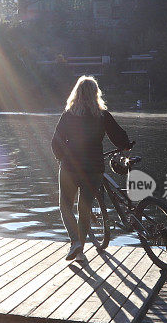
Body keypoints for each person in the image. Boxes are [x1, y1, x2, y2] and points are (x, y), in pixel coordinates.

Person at [51, 76, 131, 261]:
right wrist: (126, 145)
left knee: (65, 206)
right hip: (94, 168)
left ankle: (75, 244)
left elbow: (56, 142)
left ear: (76, 93)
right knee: (85, 208)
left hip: (70, 167)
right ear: (96, 94)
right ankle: (79, 252)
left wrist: (61, 158)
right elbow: (119, 137)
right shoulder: (102, 115)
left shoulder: (69, 115)